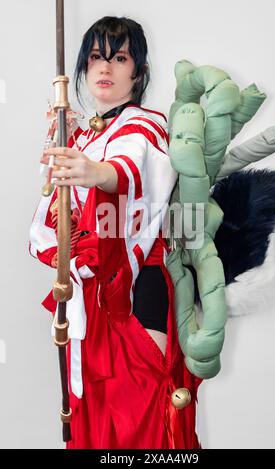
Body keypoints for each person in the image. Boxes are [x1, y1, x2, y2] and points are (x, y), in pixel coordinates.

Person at [29, 16, 202, 449]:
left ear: (137, 72)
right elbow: (51, 221)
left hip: (134, 291)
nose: (104, 69)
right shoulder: (83, 135)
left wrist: (95, 172)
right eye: (95, 58)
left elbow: (132, 167)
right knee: (97, 423)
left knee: (141, 419)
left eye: (119, 58)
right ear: (85, 70)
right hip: (89, 300)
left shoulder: (144, 125)